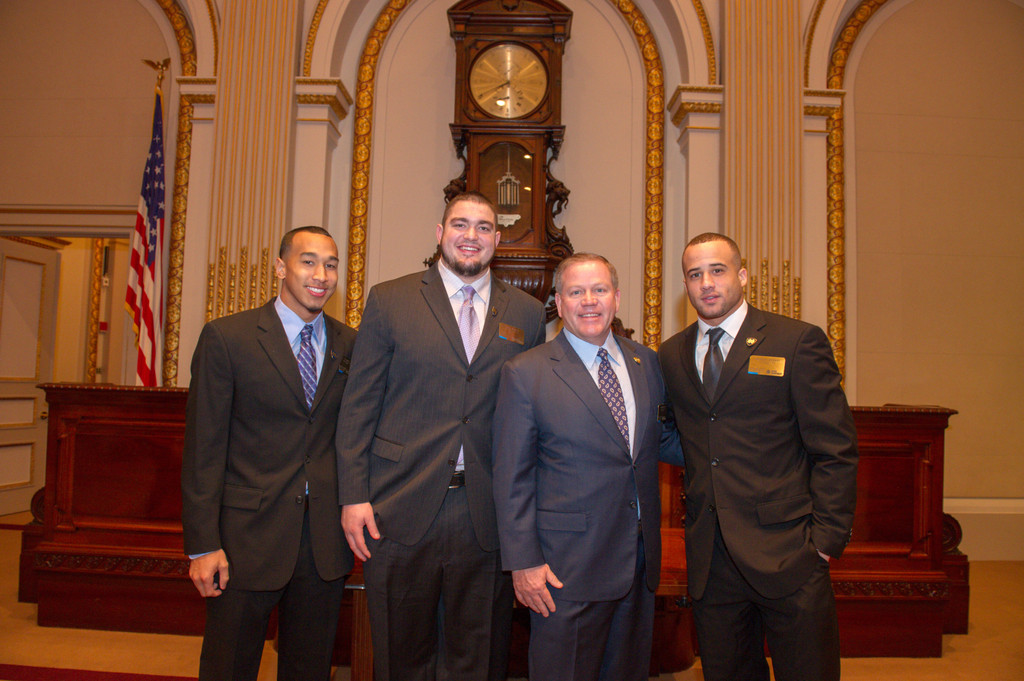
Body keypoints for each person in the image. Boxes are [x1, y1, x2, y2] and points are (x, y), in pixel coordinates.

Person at [336, 191, 547, 681]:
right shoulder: (391, 299)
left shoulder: (529, 314)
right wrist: (353, 495)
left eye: (483, 227)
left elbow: (531, 416)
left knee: (479, 656)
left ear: (498, 239)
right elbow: (359, 405)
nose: (470, 236)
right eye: (460, 224)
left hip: (486, 513)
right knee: (400, 654)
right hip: (398, 506)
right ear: (440, 233)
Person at [659, 232, 858, 681]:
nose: (706, 283)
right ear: (685, 286)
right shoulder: (671, 355)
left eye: (718, 270)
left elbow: (836, 448)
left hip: (791, 551)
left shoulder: (796, 341)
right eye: (695, 275)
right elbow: (682, 435)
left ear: (742, 276)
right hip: (713, 559)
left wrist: (824, 542)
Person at [491, 253, 684, 681]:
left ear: (616, 298)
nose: (589, 301)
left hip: (637, 565)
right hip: (565, 572)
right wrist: (523, 563)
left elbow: (659, 442)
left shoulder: (646, 363)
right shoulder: (526, 373)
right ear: (558, 304)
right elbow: (511, 478)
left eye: (599, 290)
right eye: (576, 292)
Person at [181, 226, 357, 681]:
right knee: (228, 667)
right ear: (281, 267)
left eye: (331, 264)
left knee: (309, 669)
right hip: (244, 540)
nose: (321, 274)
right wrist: (203, 545)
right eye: (308, 261)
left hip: (321, 546)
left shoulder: (350, 345)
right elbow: (203, 450)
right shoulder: (228, 338)